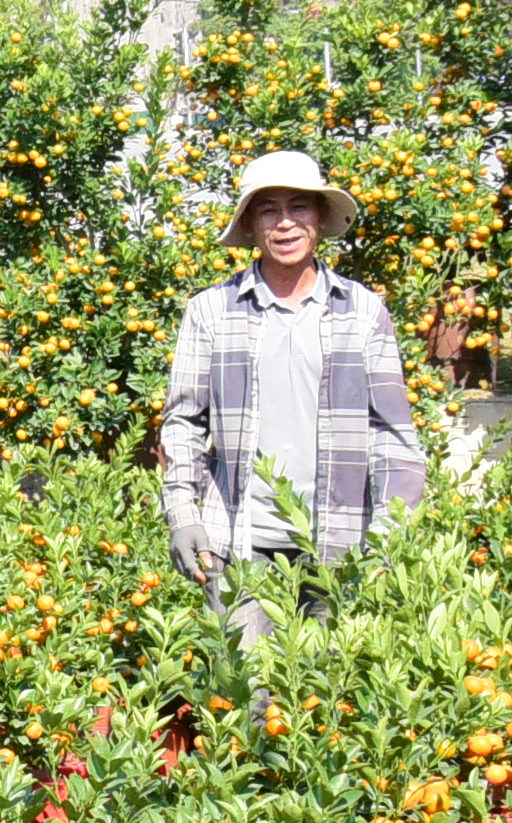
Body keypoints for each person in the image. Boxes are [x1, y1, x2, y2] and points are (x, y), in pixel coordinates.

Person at [154, 147, 430, 625]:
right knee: (248, 694)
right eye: (269, 210)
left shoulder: (362, 312)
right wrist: (183, 514)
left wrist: (388, 538)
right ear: (251, 226)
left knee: (333, 693)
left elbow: (393, 435)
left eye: (298, 207)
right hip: (238, 544)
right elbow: (182, 422)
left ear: (320, 218)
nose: (285, 224)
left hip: (342, 546)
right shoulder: (211, 311)